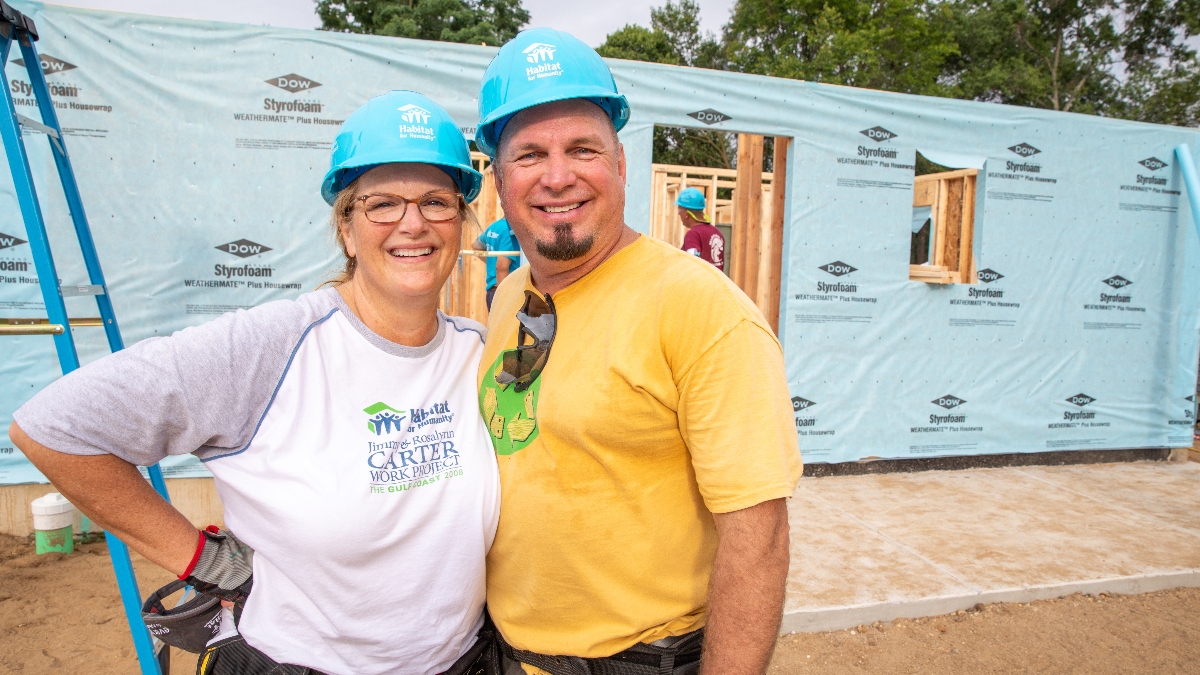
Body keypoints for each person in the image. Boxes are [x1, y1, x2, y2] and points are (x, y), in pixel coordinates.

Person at [8, 91, 500, 675]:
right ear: (346, 228)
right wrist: (203, 560)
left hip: (465, 661)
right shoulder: (272, 348)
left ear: (462, 220)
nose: (413, 223)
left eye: (436, 202)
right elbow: (52, 427)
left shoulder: (479, 352)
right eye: (382, 204)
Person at [473, 28, 802, 675]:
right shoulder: (512, 292)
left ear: (620, 166)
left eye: (582, 149)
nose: (558, 175)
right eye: (530, 154)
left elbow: (758, 537)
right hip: (507, 651)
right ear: (502, 180)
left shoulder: (699, 309)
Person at [471, 217, 522, 310]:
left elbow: (476, 246)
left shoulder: (495, 226)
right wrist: (505, 299)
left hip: (492, 292)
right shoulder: (510, 230)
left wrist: (491, 261)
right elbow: (501, 267)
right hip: (505, 293)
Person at [676, 187, 725, 270]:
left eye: (679, 212)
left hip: (698, 283)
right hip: (716, 283)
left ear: (686, 214)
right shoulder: (717, 232)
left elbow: (692, 263)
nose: (679, 214)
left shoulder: (693, 234)